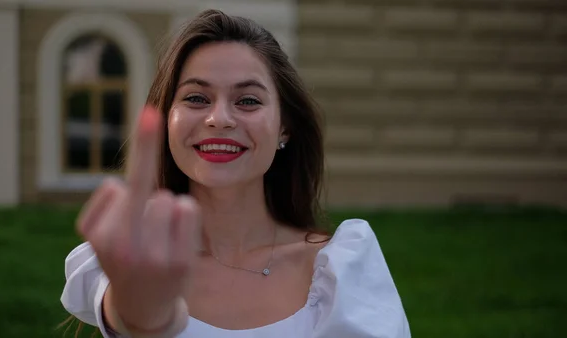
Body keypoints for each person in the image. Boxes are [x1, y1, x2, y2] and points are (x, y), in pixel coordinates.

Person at [60, 9, 411, 338]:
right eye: (196, 98)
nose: (220, 119)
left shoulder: (342, 268)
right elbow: (126, 311)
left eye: (247, 101)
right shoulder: (131, 256)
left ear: (284, 128)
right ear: (167, 119)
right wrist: (144, 317)